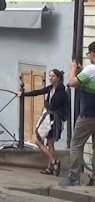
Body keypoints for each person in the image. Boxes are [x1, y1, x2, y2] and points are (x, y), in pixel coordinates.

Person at [23, 68, 70, 175]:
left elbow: (53, 106)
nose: (50, 78)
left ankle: (54, 162)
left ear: (58, 78)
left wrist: (45, 103)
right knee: (50, 144)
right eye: (49, 76)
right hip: (50, 119)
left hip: (54, 120)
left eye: (52, 76)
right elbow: (39, 92)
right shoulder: (50, 88)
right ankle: (50, 167)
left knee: (38, 140)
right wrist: (24, 94)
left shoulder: (61, 92)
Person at [61, 42, 95, 186]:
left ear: (93, 53)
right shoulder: (88, 71)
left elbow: (72, 82)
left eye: (89, 54)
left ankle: (74, 176)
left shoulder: (91, 69)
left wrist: (74, 69)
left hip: (88, 113)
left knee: (76, 144)